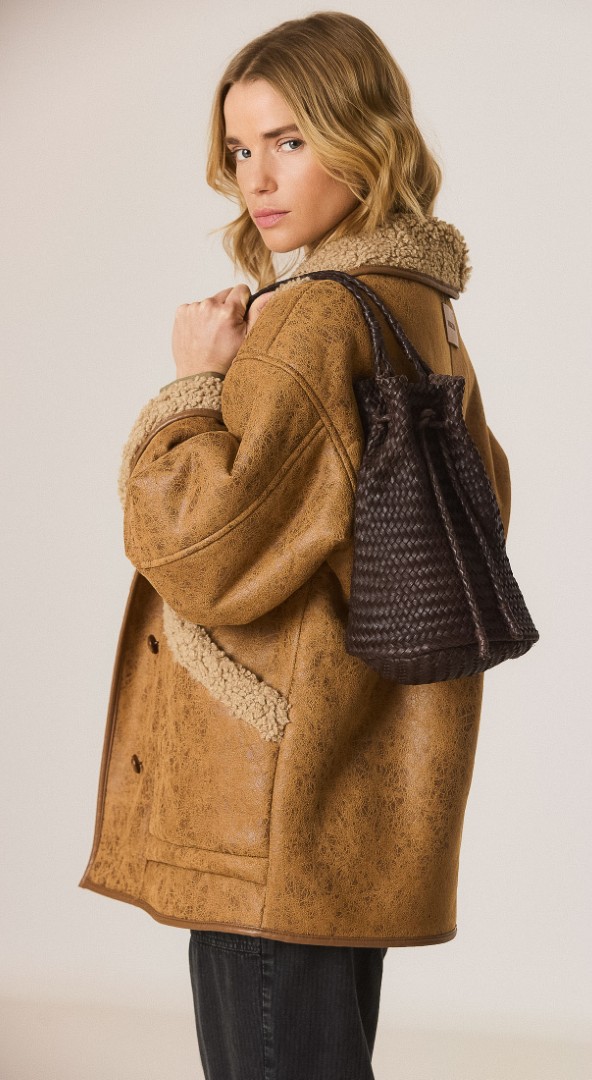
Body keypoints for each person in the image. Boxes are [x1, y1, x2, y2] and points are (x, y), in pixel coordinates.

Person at [78, 11, 512, 1079]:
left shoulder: (313, 321)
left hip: (264, 796)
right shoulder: (419, 309)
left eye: (290, 140)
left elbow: (204, 549)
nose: (257, 180)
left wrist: (193, 383)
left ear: (365, 137)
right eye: (239, 149)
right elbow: (486, 506)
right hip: (344, 779)